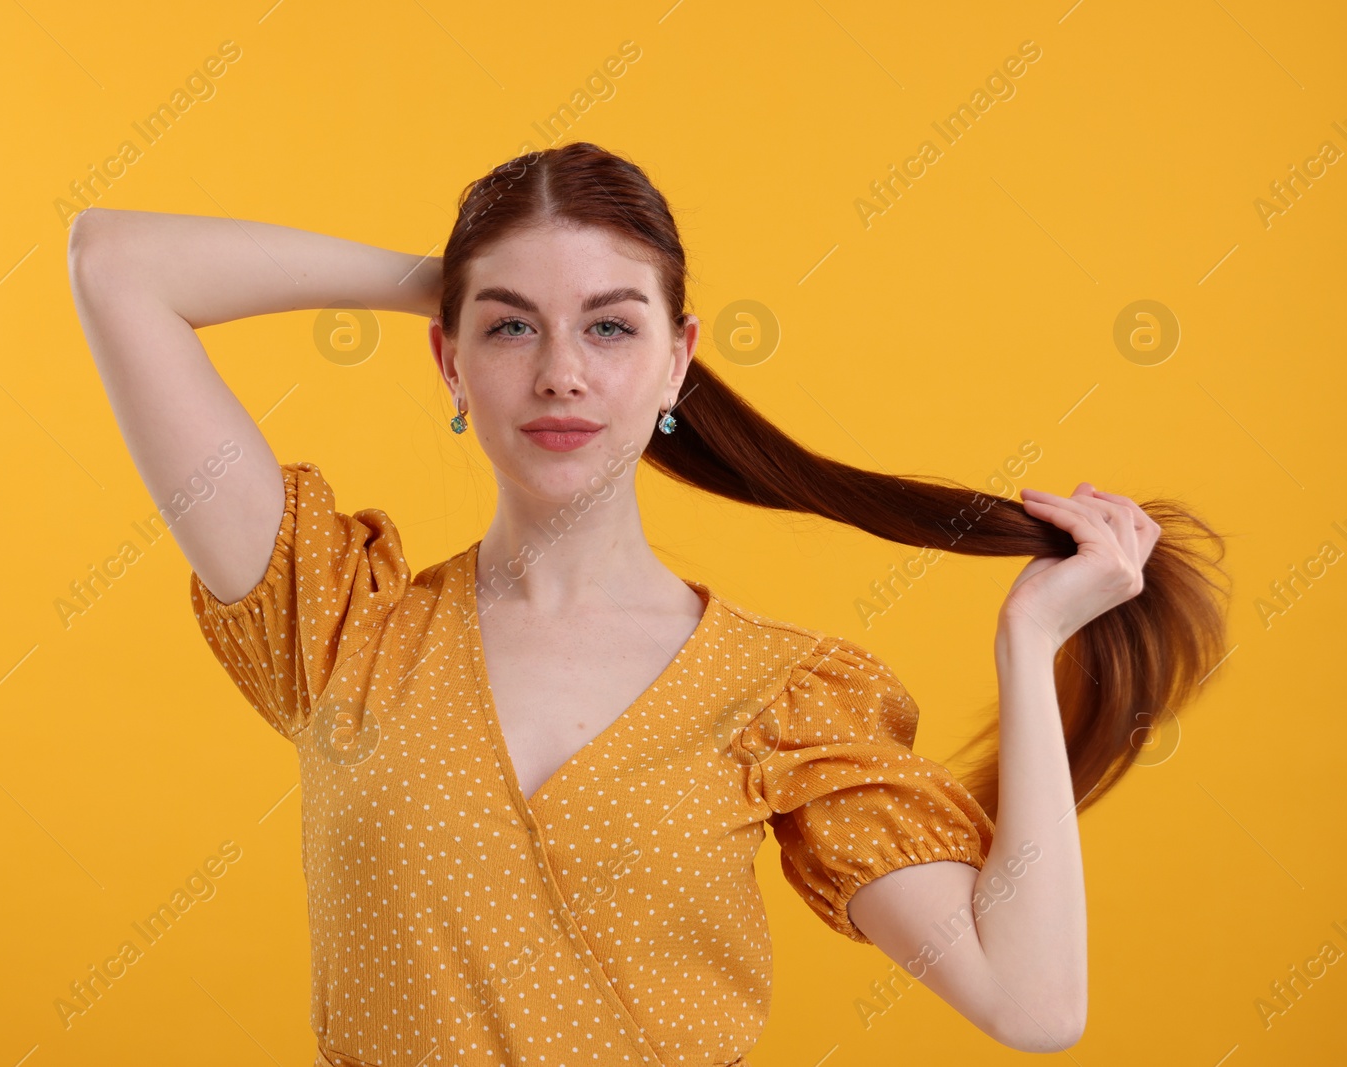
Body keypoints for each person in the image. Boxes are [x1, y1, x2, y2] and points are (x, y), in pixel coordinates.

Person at [67, 141, 1228, 1065]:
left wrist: (1029, 645)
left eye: (610, 326)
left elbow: (1031, 1004)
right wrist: (450, 275)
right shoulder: (339, 630)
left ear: (677, 363)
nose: (561, 370)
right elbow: (116, 263)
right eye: (511, 326)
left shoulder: (781, 696)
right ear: (448, 362)